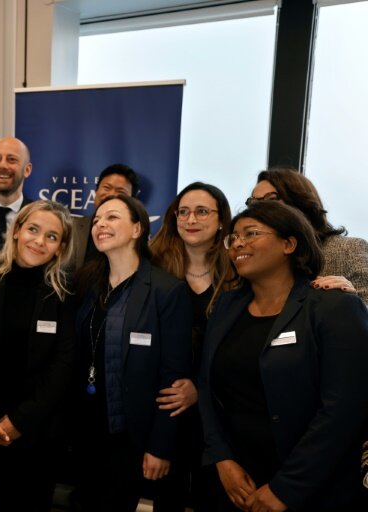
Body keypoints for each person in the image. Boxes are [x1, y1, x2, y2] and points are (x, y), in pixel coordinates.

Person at [199, 201, 368, 511]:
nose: (238, 243)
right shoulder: (225, 307)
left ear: (289, 244)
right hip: (236, 483)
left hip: (313, 487)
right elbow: (207, 388)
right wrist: (221, 457)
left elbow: (344, 408)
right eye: (233, 237)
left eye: (251, 233)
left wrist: (287, 487)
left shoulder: (334, 307)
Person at [72, 194, 191, 511]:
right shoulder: (87, 282)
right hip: (84, 429)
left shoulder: (167, 291)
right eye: (97, 219)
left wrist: (161, 446)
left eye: (112, 217)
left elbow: (173, 378)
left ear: (138, 229)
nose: (100, 224)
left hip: (131, 436)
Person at [0, 200, 76, 511]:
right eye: (33, 229)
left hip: (39, 431)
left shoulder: (64, 292)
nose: (39, 241)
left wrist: (20, 421)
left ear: (60, 248)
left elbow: (63, 364)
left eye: (51, 236)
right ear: (17, 230)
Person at [149, 182, 234, 510]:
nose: (190, 219)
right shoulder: (153, 265)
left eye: (201, 212)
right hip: (164, 404)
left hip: (221, 408)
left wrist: (199, 388)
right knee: (166, 498)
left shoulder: (239, 269)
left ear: (221, 219)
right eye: (182, 212)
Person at [248, 167, 368, 302]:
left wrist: (352, 299)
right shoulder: (254, 255)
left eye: (271, 199)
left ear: (300, 202)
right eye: (253, 203)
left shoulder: (349, 250)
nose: (258, 209)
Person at [71, 163, 141, 269]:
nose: (111, 194)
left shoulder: (137, 236)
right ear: (96, 192)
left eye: (121, 191)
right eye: (107, 188)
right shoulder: (71, 227)